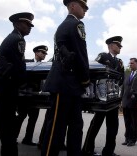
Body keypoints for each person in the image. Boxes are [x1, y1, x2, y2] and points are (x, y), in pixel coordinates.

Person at [0, 12, 34, 156]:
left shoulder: (16, 38)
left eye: (30, 25)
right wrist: (25, 83)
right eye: (27, 24)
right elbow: (17, 67)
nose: (30, 27)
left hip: (6, 89)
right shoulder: (17, 39)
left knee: (8, 127)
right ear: (17, 24)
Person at [41, 0, 90, 156]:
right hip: (65, 82)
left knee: (73, 125)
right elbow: (81, 54)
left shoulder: (65, 25)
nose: (85, 10)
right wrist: (85, 79)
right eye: (83, 7)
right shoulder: (75, 25)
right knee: (58, 127)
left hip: (67, 82)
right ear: (73, 6)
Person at [82, 36, 124, 156]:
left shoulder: (120, 62)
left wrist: (119, 98)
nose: (120, 47)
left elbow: (121, 80)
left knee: (113, 127)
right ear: (110, 45)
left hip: (113, 98)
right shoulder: (103, 56)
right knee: (96, 123)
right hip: (102, 97)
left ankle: (109, 151)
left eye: (120, 46)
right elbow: (93, 72)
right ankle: (87, 149)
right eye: (118, 45)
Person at [15, 45, 48, 146]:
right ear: (36, 53)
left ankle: (27, 139)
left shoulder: (44, 66)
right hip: (24, 95)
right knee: (21, 116)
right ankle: (13, 137)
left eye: (45, 53)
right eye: (42, 53)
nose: (44, 55)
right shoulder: (26, 62)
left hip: (35, 96)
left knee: (33, 119)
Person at [121, 58, 137, 147]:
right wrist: (121, 101)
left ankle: (133, 139)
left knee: (134, 123)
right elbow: (123, 89)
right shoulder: (127, 75)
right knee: (127, 122)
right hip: (126, 103)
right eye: (129, 63)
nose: (130, 64)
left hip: (135, 104)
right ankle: (127, 138)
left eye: (132, 63)